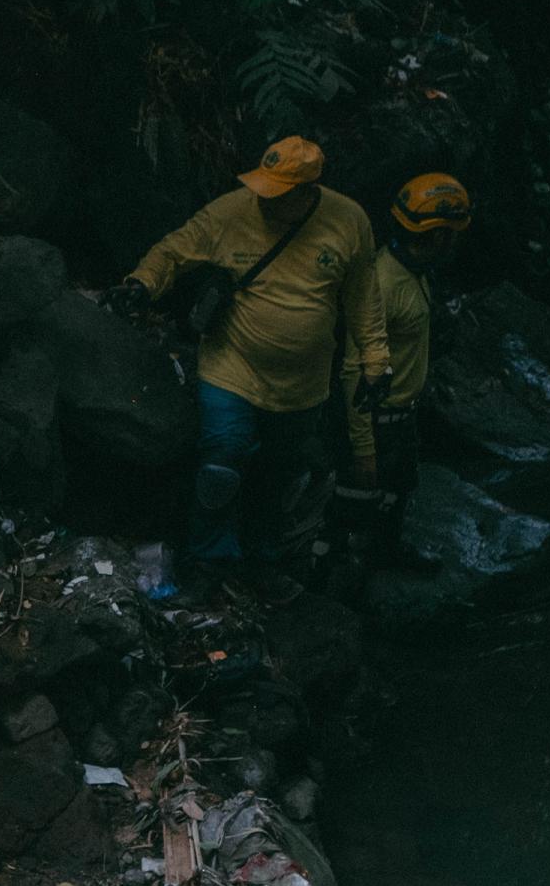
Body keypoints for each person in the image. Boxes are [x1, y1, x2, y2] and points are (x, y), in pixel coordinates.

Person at [106, 136, 386, 593]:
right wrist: (142, 283)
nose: (263, 199)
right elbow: (176, 249)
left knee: (277, 476)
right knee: (222, 463)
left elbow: (363, 299)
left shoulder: (348, 221)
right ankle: (211, 559)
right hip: (232, 366)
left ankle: (263, 559)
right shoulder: (232, 212)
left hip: (303, 384)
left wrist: (376, 362)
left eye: (277, 193)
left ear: (307, 191)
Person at [335, 172, 471, 555]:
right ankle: (343, 583)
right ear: (438, 235)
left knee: (398, 491)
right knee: (357, 506)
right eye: (452, 234)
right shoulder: (383, 285)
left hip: (402, 416)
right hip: (377, 422)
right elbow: (352, 369)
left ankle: (386, 551)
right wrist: (362, 448)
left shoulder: (415, 273)